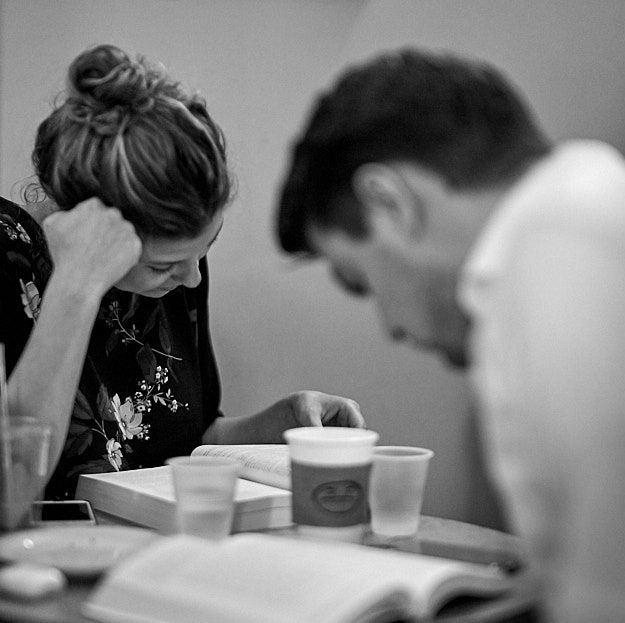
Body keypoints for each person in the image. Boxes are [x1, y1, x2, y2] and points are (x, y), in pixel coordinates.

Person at [275, 49, 625, 623]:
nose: (391, 328)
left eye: (361, 282)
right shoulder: (593, 213)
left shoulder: (561, 261)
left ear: (390, 203)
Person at [0, 43, 364, 502]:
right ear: (95, 226)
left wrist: (281, 422)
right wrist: (77, 286)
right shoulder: (10, 254)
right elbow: (9, 489)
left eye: (204, 250)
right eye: (163, 265)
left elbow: (185, 441)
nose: (191, 278)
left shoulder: (178, 278)